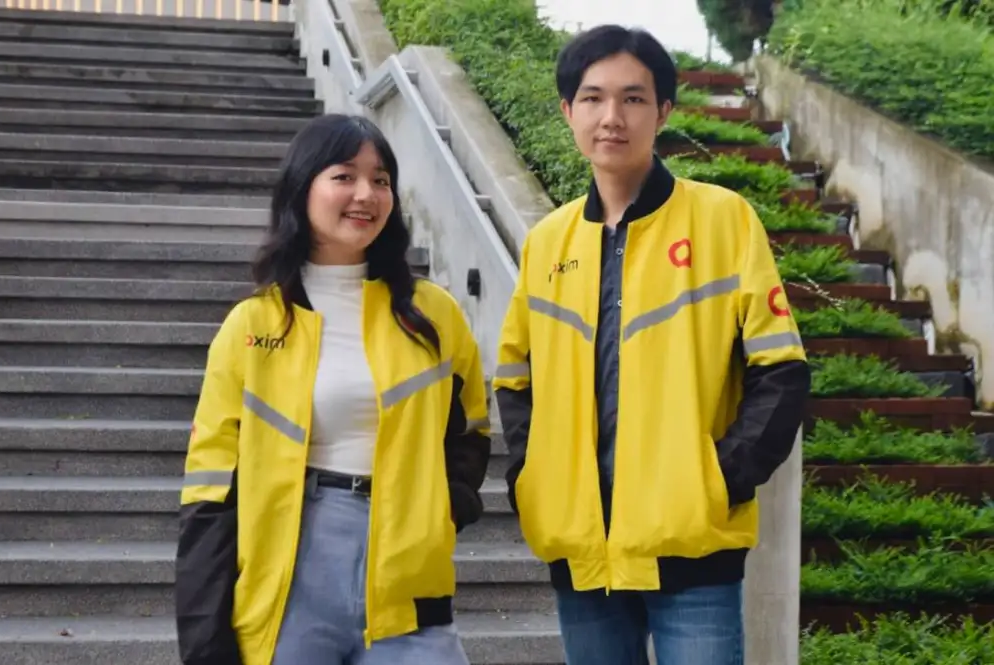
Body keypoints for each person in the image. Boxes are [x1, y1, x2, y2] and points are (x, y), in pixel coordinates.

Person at [492, 25, 811, 665]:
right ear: (568, 111)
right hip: (581, 547)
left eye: (633, 99)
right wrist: (537, 481)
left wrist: (717, 481)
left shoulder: (722, 220)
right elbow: (514, 378)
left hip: (692, 546)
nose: (612, 117)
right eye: (593, 98)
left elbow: (781, 369)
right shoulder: (547, 242)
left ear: (663, 111)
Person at [174, 113, 492, 665]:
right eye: (344, 176)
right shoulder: (253, 325)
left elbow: (469, 428)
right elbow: (210, 485)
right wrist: (205, 637)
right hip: (290, 576)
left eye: (380, 179)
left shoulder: (432, 314)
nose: (365, 194)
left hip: (408, 581)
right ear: (302, 189)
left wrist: (444, 510)